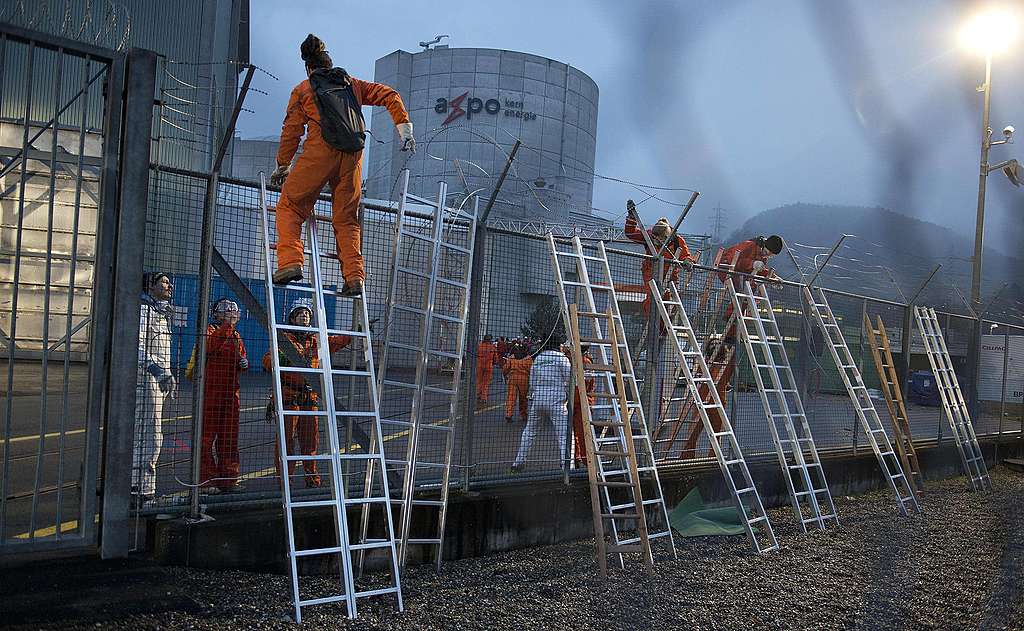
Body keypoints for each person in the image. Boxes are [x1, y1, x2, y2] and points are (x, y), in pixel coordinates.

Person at [270, 34, 414, 297]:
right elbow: (390, 95)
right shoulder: (351, 84)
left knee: (290, 205)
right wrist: (404, 130)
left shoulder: (303, 90)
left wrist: (282, 165)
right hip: (352, 156)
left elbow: (291, 132)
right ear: (329, 62)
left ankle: (290, 262)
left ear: (308, 67)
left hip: (320, 153)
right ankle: (354, 277)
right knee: (347, 219)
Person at [263, 300, 351, 488]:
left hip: (309, 398)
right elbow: (267, 360)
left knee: (310, 441)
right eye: (300, 313)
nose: (304, 316)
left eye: (307, 314)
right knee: (285, 441)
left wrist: (354, 332)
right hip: (289, 397)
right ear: (292, 318)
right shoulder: (283, 339)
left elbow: (335, 342)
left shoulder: (316, 339)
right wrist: (280, 360)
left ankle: (312, 479)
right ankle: (285, 481)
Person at [191, 298, 248, 494]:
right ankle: (206, 481)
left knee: (229, 438)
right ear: (216, 314)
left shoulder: (236, 336)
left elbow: (241, 356)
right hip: (211, 391)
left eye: (233, 310)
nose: (230, 313)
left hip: (231, 393)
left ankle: (228, 479)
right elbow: (210, 346)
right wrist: (227, 327)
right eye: (225, 310)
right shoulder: (210, 331)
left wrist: (243, 363)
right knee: (206, 438)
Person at [133, 272, 175, 507]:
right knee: (150, 434)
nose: (169, 285)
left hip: (159, 381)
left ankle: (137, 486)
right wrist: (155, 369)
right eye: (164, 282)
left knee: (148, 433)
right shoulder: (144, 310)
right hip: (147, 379)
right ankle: (143, 490)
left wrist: (167, 373)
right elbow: (136, 344)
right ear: (150, 286)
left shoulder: (159, 312)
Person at [511, 337, 572, 472]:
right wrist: (567, 394)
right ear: (557, 346)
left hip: (538, 398)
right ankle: (567, 465)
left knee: (529, 432)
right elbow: (570, 379)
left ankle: (518, 462)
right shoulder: (561, 359)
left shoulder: (538, 359)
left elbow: (532, 381)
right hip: (556, 400)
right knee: (564, 435)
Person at [624, 204, 698, 313]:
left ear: (667, 236)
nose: (657, 242)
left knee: (669, 305)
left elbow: (685, 255)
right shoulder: (649, 236)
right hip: (651, 273)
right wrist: (631, 217)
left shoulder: (677, 240)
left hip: (671, 275)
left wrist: (687, 262)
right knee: (652, 300)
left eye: (660, 240)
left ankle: (663, 323)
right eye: (655, 239)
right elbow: (631, 233)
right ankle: (652, 320)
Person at [569, 345, 596, 467]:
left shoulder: (584, 362)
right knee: (576, 431)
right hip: (577, 400)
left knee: (581, 432)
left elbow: (587, 383)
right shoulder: (579, 361)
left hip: (581, 401)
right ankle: (578, 457)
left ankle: (584, 459)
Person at [501, 346, 533, 423]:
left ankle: (509, 414)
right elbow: (531, 370)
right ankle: (523, 414)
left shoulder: (512, 357)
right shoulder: (528, 358)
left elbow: (506, 368)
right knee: (523, 398)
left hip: (513, 378)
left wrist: (505, 375)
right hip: (524, 379)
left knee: (511, 397)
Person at [476, 334, 498, 403]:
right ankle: (484, 397)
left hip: (479, 365)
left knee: (479, 380)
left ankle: (478, 394)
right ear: (490, 340)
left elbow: (475, 354)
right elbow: (495, 358)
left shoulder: (479, 346)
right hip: (488, 366)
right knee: (486, 382)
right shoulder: (492, 347)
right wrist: (494, 362)